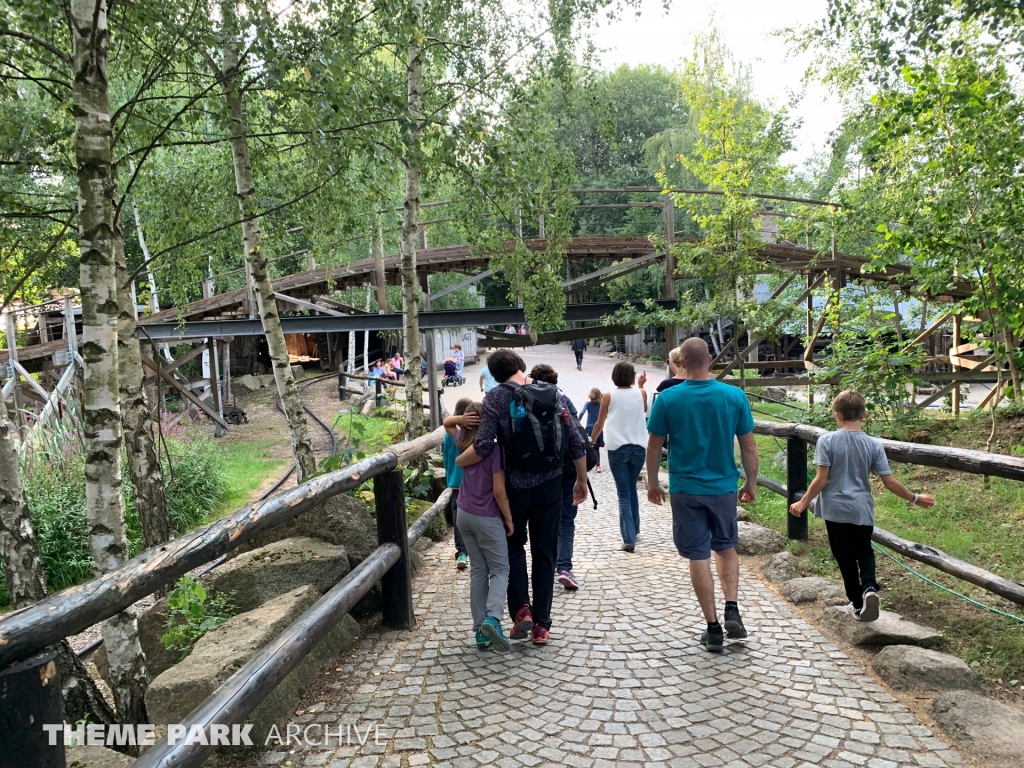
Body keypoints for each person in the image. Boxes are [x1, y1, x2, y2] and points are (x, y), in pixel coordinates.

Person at [456, 349, 588, 645]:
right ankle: (542, 625)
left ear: (494, 375)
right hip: (551, 483)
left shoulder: (495, 398)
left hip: (516, 486)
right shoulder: (553, 392)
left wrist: (460, 461)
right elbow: (576, 441)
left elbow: (483, 445)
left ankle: (521, 610)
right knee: (545, 551)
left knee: (513, 546)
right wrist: (581, 479)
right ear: (520, 365)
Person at [646, 337, 759, 653]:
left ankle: (712, 628)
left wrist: (653, 483)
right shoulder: (733, 396)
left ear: (681, 363)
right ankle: (732, 607)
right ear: (710, 360)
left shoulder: (668, 398)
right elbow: (749, 447)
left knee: (698, 555)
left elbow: (654, 446)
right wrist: (750, 483)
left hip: (686, 489)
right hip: (723, 488)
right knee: (726, 547)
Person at [789, 390, 935, 621]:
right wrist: (914, 498)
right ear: (864, 415)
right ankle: (869, 587)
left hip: (835, 510)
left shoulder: (826, 441)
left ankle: (856, 604)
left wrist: (803, 502)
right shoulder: (874, 444)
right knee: (865, 551)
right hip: (861, 509)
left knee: (844, 556)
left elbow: (821, 479)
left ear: (837, 415)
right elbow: (889, 482)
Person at [451, 402, 515, 652]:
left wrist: (461, 420)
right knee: (500, 568)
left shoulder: (462, 442)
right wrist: (508, 519)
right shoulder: (494, 450)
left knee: (478, 570)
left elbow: (446, 423)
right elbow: (499, 491)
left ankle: (480, 631)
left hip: (463, 514)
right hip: (486, 517)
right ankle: (493, 619)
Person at [530, 364, 580, 591]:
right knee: (566, 520)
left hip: (538, 471)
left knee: (542, 520)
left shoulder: (526, 400)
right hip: (566, 469)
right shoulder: (564, 400)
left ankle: (546, 565)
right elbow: (577, 436)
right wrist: (582, 476)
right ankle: (564, 568)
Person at [590, 362, 648, 553]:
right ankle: (635, 528)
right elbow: (643, 410)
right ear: (632, 376)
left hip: (618, 449)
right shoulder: (641, 393)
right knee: (631, 488)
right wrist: (640, 386)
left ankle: (629, 539)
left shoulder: (608, 396)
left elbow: (599, 424)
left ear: (614, 375)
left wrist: (591, 441)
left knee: (623, 493)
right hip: (638, 448)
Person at [441, 398, 472, 570]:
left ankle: (462, 552)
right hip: (471, 483)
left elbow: (445, 455)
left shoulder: (449, 434)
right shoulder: (470, 435)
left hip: (455, 482)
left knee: (458, 518)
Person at [579, 388, 604, 472]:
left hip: (589, 428)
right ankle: (598, 466)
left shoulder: (588, 404)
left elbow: (582, 412)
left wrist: (578, 421)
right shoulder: (601, 404)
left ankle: (586, 465)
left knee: (587, 447)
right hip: (599, 428)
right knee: (596, 448)